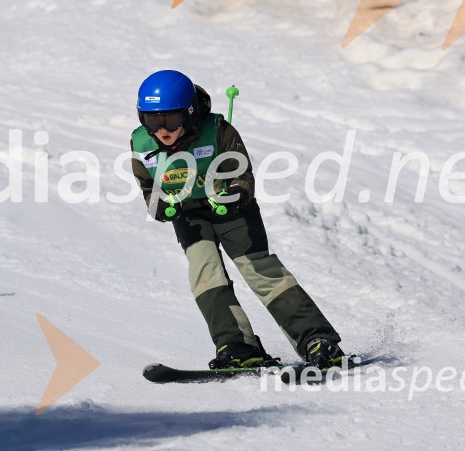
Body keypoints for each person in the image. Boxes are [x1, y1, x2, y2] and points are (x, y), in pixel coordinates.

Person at [130, 70, 345, 369]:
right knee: (205, 273)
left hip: (231, 210)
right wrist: (159, 206)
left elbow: (242, 173)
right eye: (152, 121)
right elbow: (148, 188)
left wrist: (236, 193)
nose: (162, 130)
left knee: (260, 271)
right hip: (188, 215)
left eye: (171, 119)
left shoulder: (218, 129)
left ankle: (317, 339)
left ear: (189, 113)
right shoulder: (141, 143)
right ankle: (237, 345)